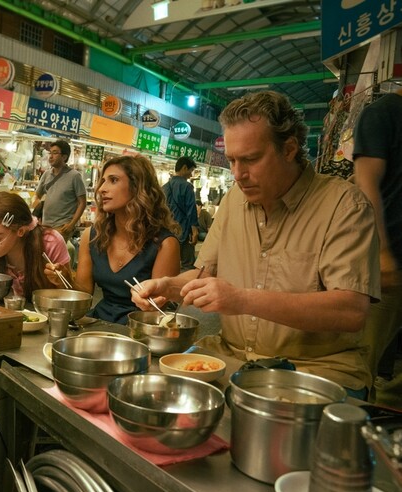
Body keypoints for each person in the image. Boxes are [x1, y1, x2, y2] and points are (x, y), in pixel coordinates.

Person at [132, 91, 380, 398]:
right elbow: (204, 274)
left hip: (314, 369)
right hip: (231, 356)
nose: (238, 174)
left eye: (251, 159)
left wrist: (243, 300)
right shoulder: (233, 200)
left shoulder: (343, 205)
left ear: (289, 149)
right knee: (151, 391)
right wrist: (168, 285)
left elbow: (351, 311)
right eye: (232, 160)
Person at [62, 155, 180, 324]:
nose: (102, 189)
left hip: (139, 328)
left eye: (114, 180)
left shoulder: (164, 244)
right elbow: (84, 295)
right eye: (103, 181)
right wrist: (65, 277)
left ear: (137, 187)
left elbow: (157, 308)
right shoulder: (92, 235)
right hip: (99, 323)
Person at [352, 87, 402, 403]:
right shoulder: (383, 113)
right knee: (362, 363)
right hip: (388, 264)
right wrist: (381, 252)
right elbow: (366, 185)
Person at [31, 140, 86, 240]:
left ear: (64, 157)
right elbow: (37, 195)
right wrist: (36, 205)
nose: (51, 156)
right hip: (45, 225)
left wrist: (71, 224)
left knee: (54, 250)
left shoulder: (74, 176)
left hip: (62, 226)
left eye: (55, 153)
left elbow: (82, 203)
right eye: (50, 153)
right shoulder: (46, 174)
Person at [163, 156, 198, 271]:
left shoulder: (164, 187)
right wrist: (194, 231)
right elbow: (191, 210)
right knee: (187, 265)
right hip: (184, 231)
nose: (191, 174)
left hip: (167, 231)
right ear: (184, 168)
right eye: (191, 170)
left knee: (168, 264)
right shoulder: (187, 186)